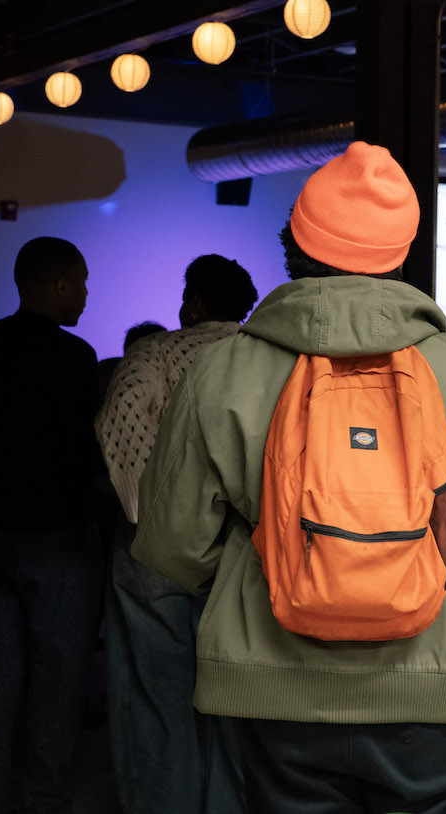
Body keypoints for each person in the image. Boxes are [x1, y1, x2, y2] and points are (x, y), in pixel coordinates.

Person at [132, 142, 446, 812]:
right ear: (399, 254)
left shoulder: (221, 370)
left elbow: (174, 541)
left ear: (295, 245)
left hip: (272, 691)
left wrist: (273, 555)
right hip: (430, 688)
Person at [96, 254, 257, 814]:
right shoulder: (261, 358)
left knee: (154, 695)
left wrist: (156, 507)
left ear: (193, 303)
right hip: (239, 549)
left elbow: (119, 420)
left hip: (154, 551)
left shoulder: (156, 353)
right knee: (234, 697)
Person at [0, 236, 103, 814]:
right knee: (58, 676)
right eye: (82, 283)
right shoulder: (76, 358)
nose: (86, 294)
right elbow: (86, 452)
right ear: (60, 285)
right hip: (58, 536)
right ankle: (45, 800)